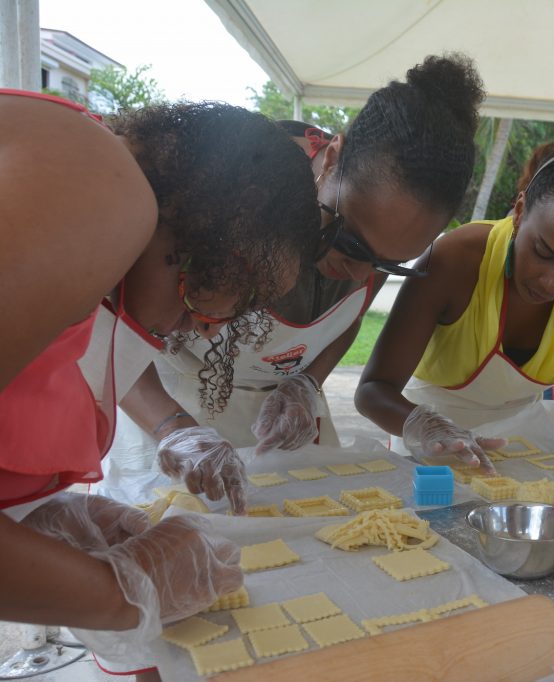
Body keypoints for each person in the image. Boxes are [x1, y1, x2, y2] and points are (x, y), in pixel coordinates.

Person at [0, 92, 321, 667]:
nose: (207, 322)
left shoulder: (99, 227)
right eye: (242, 295)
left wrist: (37, 523)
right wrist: (120, 590)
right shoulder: (107, 192)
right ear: (230, 225)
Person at [96, 54, 485, 509]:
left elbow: (348, 321)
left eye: (387, 263)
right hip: (166, 407)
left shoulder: (373, 245)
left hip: (281, 428)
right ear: (333, 160)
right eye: (353, 243)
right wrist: (171, 428)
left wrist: (307, 384)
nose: (361, 273)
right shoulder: (238, 189)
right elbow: (114, 327)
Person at [355, 105, 554, 471]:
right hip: (430, 454)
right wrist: (425, 425)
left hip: (523, 453)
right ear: (519, 211)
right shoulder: (457, 258)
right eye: (543, 252)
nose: (553, 282)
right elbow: (373, 390)